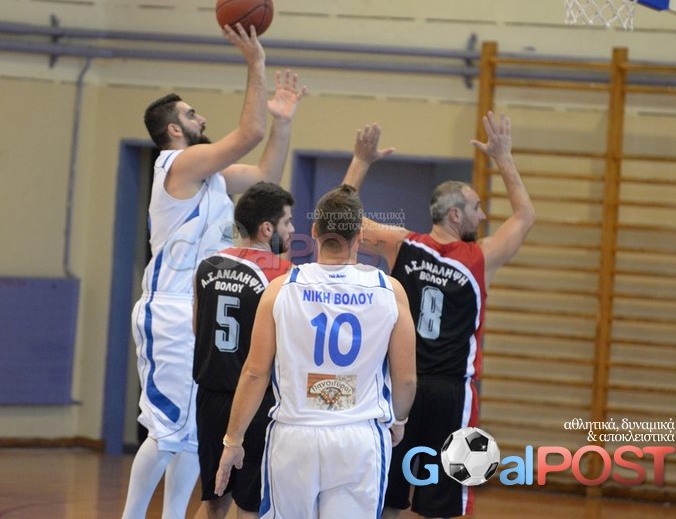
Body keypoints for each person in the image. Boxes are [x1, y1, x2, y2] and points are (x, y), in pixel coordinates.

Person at [122, 22, 307, 519]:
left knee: (189, 434)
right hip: (169, 310)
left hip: (198, 311)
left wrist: (282, 122)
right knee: (166, 430)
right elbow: (248, 134)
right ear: (174, 130)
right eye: (190, 114)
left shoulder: (212, 179)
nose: (200, 117)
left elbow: (265, 176)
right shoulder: (174, 165)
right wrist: (256, 63)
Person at [343, 111, 535, 518]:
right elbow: (525, 217)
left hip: (401, 388)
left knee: (388, 497)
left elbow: (341, 217)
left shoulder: (401, 245)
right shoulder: (480, 258)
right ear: (455, 215)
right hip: (450, 394)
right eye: (477, 208)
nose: (483, 216)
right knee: (442, 504)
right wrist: (503, 158)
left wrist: (360, 162)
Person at [215, 184, 417, 518]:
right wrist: (399, 419)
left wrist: (232, 441)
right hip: (359, 437)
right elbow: (406, 379)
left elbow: (254, 373)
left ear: (313, 232)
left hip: (294, 436)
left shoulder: (281, 289)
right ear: (359, 236)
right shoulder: (389, 290)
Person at [192, 181, 295, 519]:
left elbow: (197, 329)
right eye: (287, 222)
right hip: (254, 399)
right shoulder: (284, 275)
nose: (293, 230)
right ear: (267, 228)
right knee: (250, 505)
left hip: (209, 398)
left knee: (214, 500)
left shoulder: (206, 266)